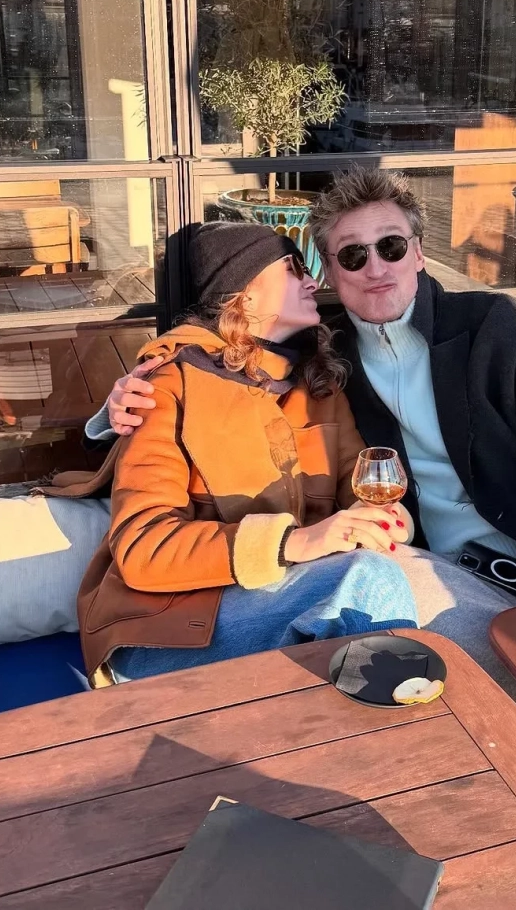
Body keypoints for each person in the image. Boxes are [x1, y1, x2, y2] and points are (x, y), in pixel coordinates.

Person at [103, 169, 516, 644]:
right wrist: (118, 406)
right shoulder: (326, 360)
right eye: (352, 256)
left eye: (390, 246)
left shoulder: (500, 331)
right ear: (332, 273)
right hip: (438, 574)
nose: (376, 267)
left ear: (419, 254)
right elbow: (218, 363)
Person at [49, 222, 418, 685]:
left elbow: (356, 483)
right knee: (368, 584)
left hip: (285, 595)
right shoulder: (169, 386)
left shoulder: (318, 386)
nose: (312, 282)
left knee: (381, 601)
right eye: (293, 269)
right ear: (243, 295)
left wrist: (383, 518)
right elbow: (143, 547)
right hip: (167, 626)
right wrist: (294, 542)